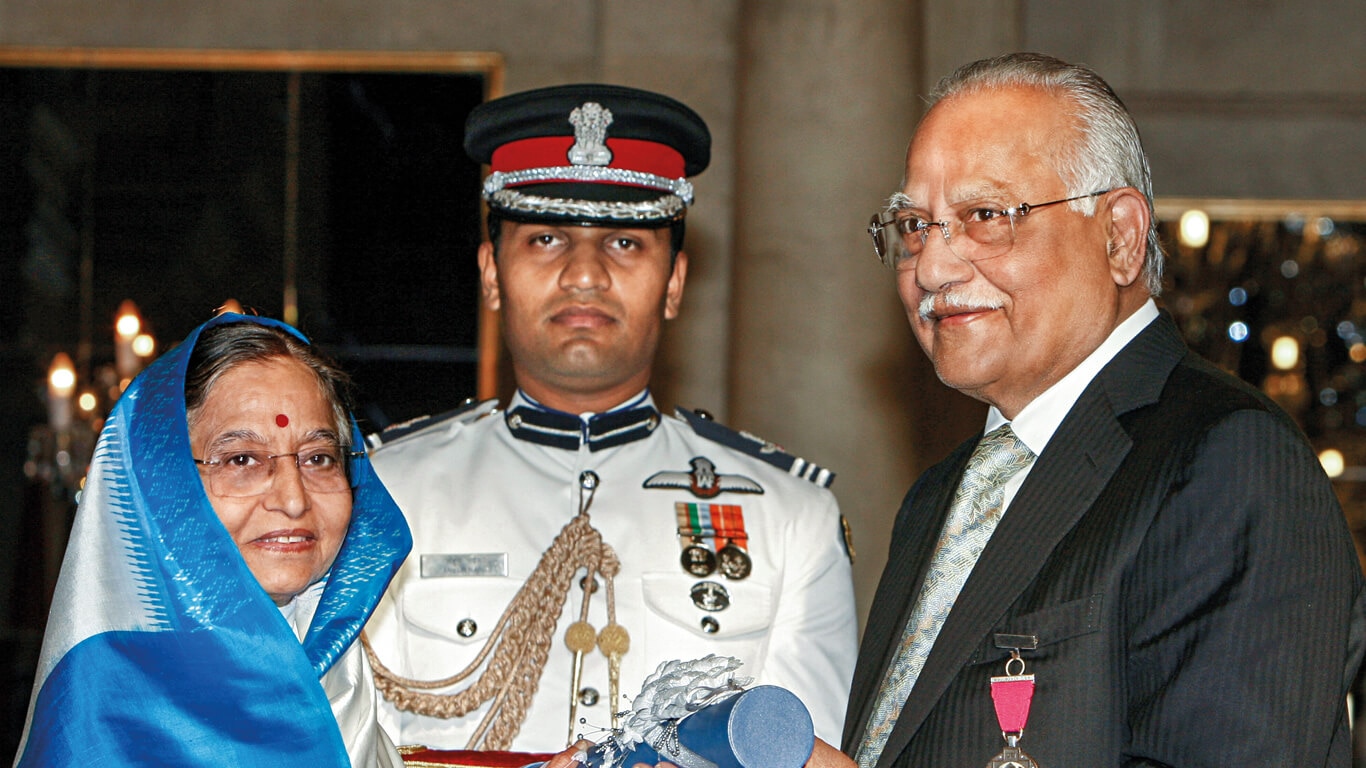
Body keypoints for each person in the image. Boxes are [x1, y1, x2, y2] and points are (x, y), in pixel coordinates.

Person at [833, 52, 1366, 767]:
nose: (931, 268)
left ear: (1118, 236)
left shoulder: (1226, 461)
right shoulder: (938, 496)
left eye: (986, 216)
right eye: (914, 227)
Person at [361, 83, 858, 753]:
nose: (585, 275)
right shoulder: (385, 493)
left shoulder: (790, 515)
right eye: (545, 239)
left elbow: (808, 754)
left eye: (625, 242)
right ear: (490, 274)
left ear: (675, 282)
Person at [14, 313, 411, 767]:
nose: (294, 499)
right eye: (242, 458)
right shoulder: (105, 702)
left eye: (318, 458)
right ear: (166, 487)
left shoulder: (340, 673)